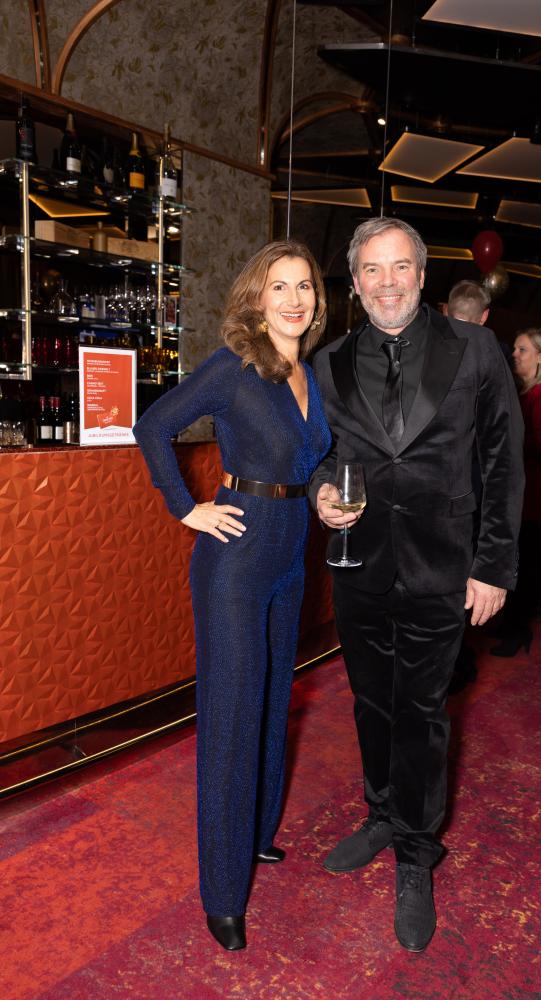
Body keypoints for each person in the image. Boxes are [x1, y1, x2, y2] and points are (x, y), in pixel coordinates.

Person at [310, 217, 524, 952]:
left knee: (422, 712)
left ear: (422, 275)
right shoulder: (331, 360)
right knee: (371, 702)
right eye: (372, 270)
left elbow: (503, 458)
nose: (387, 282)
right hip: (359, 564)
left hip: (444, 566)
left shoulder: (474, 348)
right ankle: (380, 811)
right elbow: (323, 454)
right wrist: (320, 493)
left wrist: (493, 564)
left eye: (400, 267)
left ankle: (415, 852)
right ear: (354, 282)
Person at [133, 241, 331, 952]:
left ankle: (255, 835)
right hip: (236, 560)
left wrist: (330, 496)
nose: (293, 299)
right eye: (279, 286)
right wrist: (185, 508)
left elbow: (313, 460)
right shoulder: (234, 366)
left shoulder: (308, 372)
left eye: (304, 286)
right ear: (256, 298)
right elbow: (153, 425)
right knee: (230, 719)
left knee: (275, 701)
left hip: (292, 556)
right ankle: (222, 892)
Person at [491, 328, 541, 656]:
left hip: (535, 498)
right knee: (513, 562)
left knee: (526, 567)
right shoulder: (523, 391)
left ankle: (518, 632)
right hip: (518, 493)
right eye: (516, 349)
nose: (515, 355)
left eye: (522, 350)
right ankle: (510, 624)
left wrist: (503, 438)